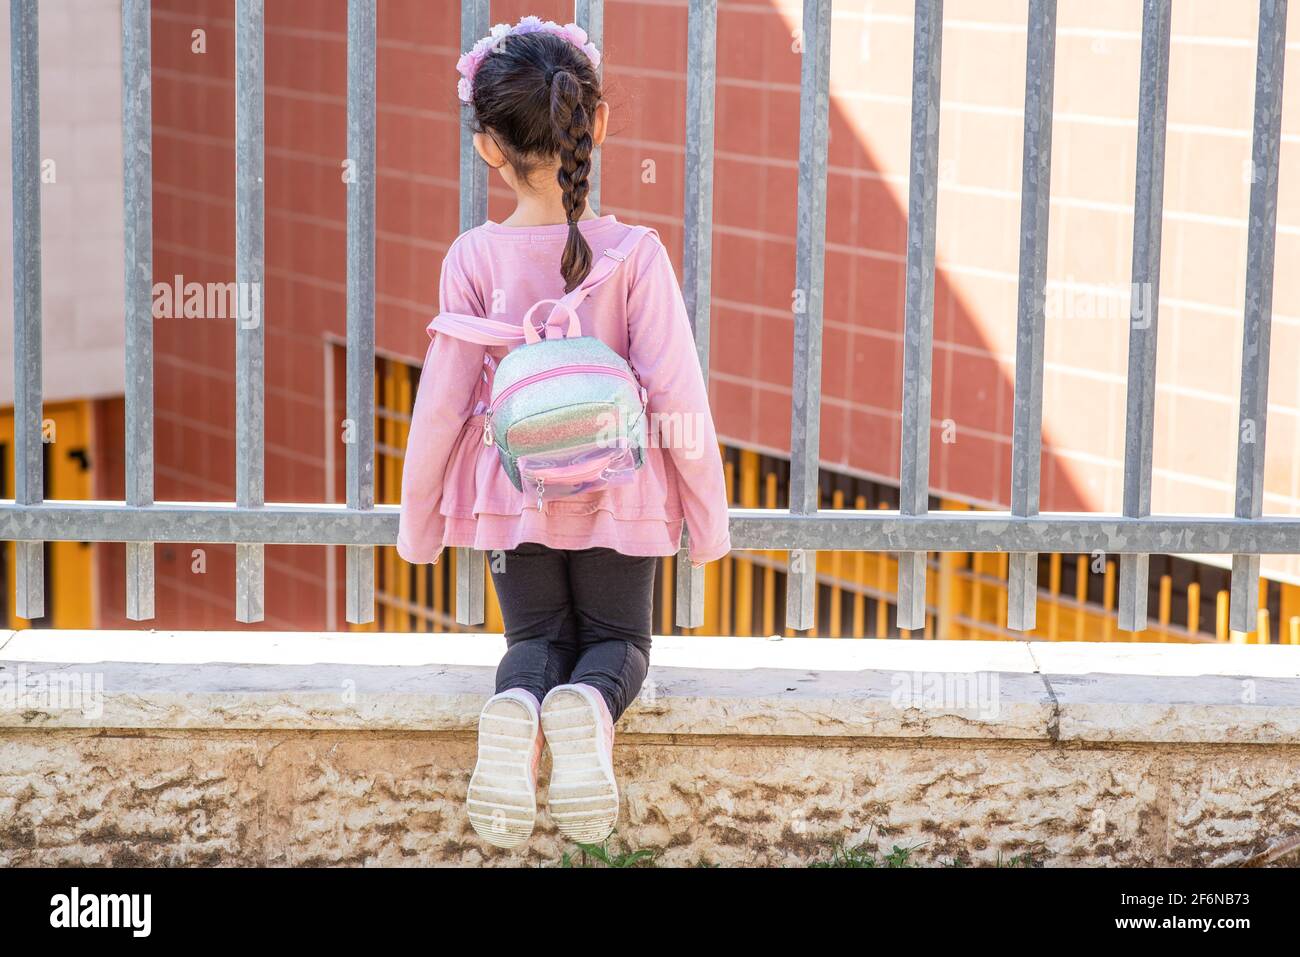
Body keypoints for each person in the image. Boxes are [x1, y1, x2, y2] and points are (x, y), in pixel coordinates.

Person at [397, 16, 730, 850]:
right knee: (617, 642)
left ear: (488, 148)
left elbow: (440, 404)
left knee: (533, 640)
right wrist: (709, 520)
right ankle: (589, 706)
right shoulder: (636, 254)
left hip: (515, 501)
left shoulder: (472, 257)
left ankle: (519, 707)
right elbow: (677, 394)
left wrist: (421, 522)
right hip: (626, 496)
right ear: (599, 123)